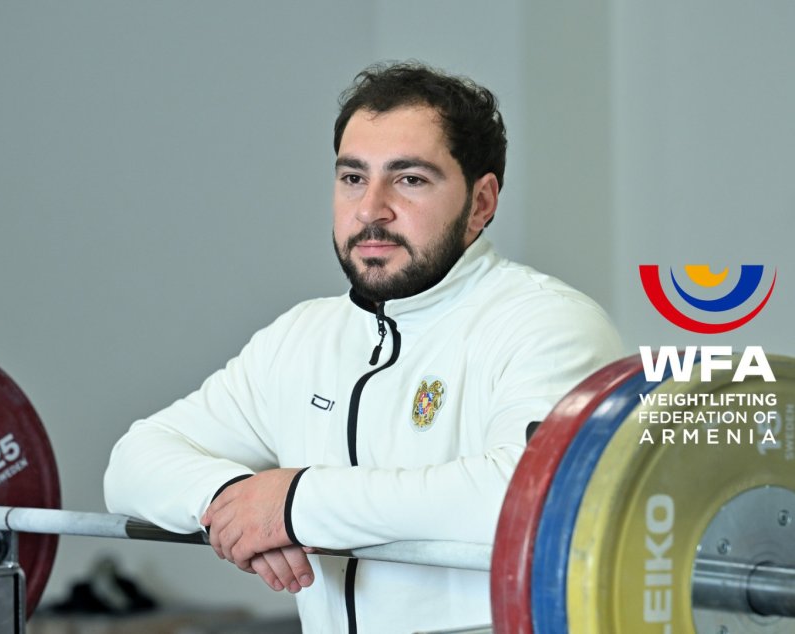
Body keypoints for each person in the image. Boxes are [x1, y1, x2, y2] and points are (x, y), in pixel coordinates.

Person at [104, 61, 623, 632]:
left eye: (410, 179)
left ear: (480, 203)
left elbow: (531, 492)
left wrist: (297, 505)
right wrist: (231, 500)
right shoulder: (302, 337)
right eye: (353, 177)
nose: (371, 209)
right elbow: (132, 463)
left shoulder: (546, 321)